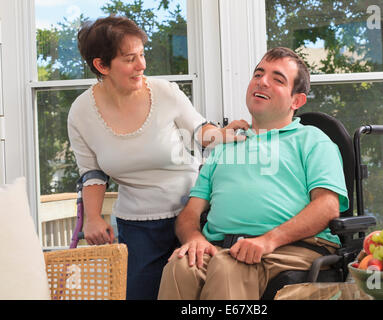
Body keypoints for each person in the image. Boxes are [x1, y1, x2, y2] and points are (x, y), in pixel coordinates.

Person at [67, 15, 248, 300]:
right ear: (102, 65)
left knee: (204, 294)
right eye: (129, 59)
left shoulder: (164, 92)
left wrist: (223, 134)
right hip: (137, 227)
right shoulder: (80, 113)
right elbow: (92, 173)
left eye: (142, 54)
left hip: (193, 212)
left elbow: (200, 130)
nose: (142, 65)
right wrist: (92, 218)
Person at [157, 47, 349, 300]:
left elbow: (327, 206)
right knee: (181, 266)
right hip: (222, 249)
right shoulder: (226, 147)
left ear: (297, 100)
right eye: (258, 74)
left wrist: (268, 240)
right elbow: (189, 214)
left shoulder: (313, 141)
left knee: (230, 267)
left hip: (290, 249)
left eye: (277, 79)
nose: (263, 81)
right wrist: (194, 238)